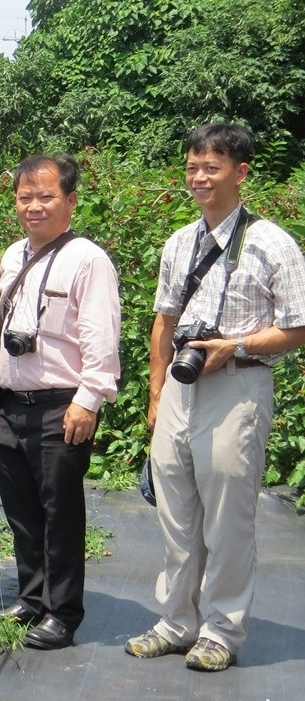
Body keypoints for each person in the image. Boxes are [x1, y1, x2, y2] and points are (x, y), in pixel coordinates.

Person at [124, 124, 305, 671]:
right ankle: (177, 621)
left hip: (238, 385)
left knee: (227, 519)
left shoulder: (273, 243)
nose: (199, 177)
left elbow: (298, 327)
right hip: (181, 389)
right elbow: (164, 321)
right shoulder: (180, 241)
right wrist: (156, 392)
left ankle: (222, 630)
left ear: (240, 172)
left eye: (212, 167)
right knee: (175, 511)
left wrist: (237, 345)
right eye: (192, 167)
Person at [0, 154, 120, 650]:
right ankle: (32, 596)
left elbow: (101, 338)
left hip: (61, 404)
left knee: (59, 513)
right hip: (12, 401)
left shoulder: (88, 259)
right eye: (25, 197)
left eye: (46, 197)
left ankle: (63, 613)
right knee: (21, 510)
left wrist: (88, 401)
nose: (34, 206)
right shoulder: (12, 255)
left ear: (70, 200)